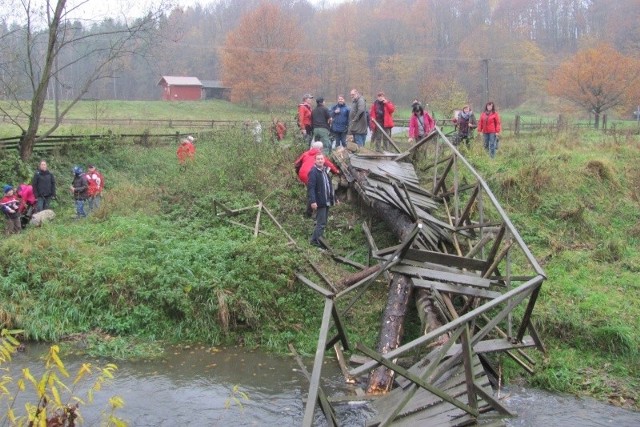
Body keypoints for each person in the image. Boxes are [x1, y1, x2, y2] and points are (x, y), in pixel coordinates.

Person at [307, 153, 335, 248]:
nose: (320, 160)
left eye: (321, 159)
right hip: (320, 201)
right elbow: (311, 188)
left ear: (324, 160)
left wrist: (334, 198)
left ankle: (316, 239)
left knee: (323, 222)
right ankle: (316, 242)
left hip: (326, 200)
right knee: (321, 223)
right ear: (315, 161)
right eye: (318, 159)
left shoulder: (325, 171)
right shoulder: (313, 172)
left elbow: (329, 186)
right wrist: (313, 201)